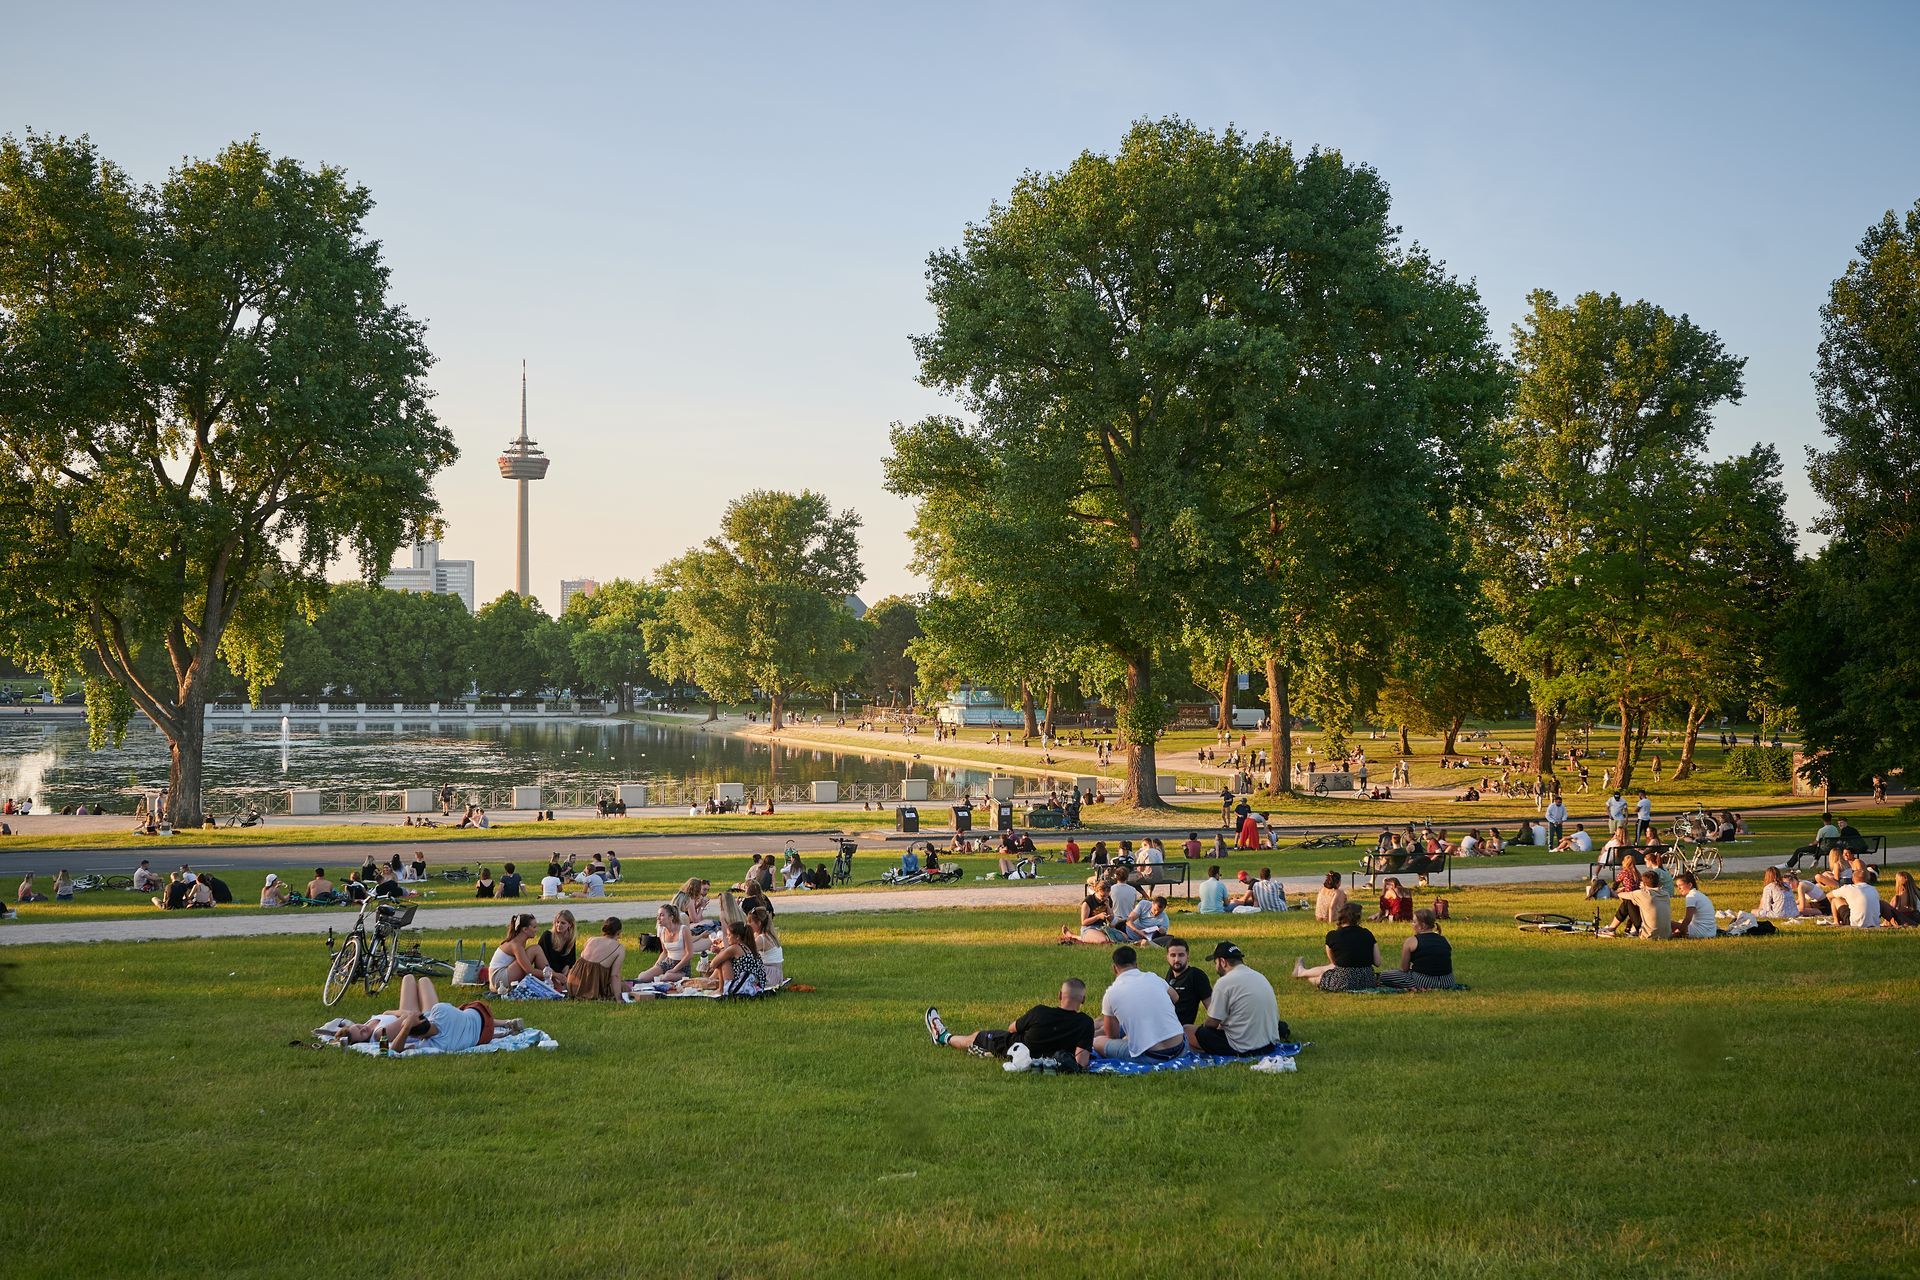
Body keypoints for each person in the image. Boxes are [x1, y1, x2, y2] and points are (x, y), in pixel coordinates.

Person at [925, 978, 1096, 1070]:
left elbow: (1012, 1027)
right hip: (1045, 1060)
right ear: (1083, 1000)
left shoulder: (1040, 1012)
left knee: (976, 1036)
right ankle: (984, 1051)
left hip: (1014, 1047)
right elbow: (1082, 1061)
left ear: (1060, 995)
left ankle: (943, 1037)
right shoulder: (1086, 1023)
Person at [1189, 942, 1284, 1056]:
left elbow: (1211, 1023)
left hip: (1243, 1047)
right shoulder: (1260, 976)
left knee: (1188, 1031)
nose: (1216, 967)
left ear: (1222, 962)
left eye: (1215, 962)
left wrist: (1203, 1028)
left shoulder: (1224, 982)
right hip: (1268, 1045)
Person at [1093, 946, 1187, 1061]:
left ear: (1114, 968)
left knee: (1097, 1042)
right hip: (1181, 1048)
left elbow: (1112, 1036)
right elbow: (1175, 997)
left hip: (1151, 1056)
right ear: (1136, 965)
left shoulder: (1111, 993)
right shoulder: (1153, 977)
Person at [387, 975, 520, 1054]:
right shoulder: (440, 1010)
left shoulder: (433, 1046)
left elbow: (393, 1050)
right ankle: (505, 1023)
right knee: (422, 980)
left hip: (485, 1035)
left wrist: (405, 1028)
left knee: (408, 979)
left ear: (419, 1037)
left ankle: (504, 1027)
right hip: (482, 1012)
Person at [1293, 902, 1380, 991]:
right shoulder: (1367, 934)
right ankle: (1301, 972)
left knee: (1318, 979)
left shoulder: (1333, 936)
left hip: (1343, 981)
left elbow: (1335, 963)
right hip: (1367, 980)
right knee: (1333, 968)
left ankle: (1302, 973)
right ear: (1358, 918)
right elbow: (1377, 962)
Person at [1379, 908, 1456, 990]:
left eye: (1414, 922)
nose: (1412, 924)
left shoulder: (1411, 941)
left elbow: (1404, 969)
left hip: (1423, 981)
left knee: (1384, 975)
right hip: (1447, 981)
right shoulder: (1445, 939)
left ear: (1422, 926)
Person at [689, 921, 766, 995]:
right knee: (724, 957)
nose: (727, 937)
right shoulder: (748, 947)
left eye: (729, 935)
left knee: (723, 960)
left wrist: (720, 953)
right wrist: (720, 951)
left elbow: (713, 964)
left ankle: (721, 989)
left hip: (743, 988)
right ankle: (720, 987)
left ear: (737, 937)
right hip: (754, 986)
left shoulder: (734, 948)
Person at [488, 914, 554, 993]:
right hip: (499, 980)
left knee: (535, 949)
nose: (537, 929)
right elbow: (530, 971)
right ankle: (553, 983)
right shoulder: (516, 945)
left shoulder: (519, 941)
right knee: (535, 949)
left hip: (499, 979)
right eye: (534, 927)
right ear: (525, 929)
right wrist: (555, 975)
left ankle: (551, 983)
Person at [566, 917, 627, 1000]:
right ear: (619, 932)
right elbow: (614, 976)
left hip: (572, 984)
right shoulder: (619, 948)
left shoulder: (591, 939)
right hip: (592, 988)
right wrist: (619, 999)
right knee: (624, 987)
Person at [633, 903, 693, 983]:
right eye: (658, 915)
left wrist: (674, 969)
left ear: (671, 917)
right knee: (642, 977)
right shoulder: (662, 931)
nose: (658, 918)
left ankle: (664, 978)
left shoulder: (684, 930)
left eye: (661, 915)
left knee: (665, 977)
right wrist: (655, 966)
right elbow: (664, 952)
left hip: (682, 966)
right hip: (668, 962)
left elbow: (689, 954)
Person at [1162, 937, 1212, 1027]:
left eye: (1181, 955)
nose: (1177, 959)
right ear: (1167, 957)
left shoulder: (1196, 975)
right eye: (1173, 955)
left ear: (1187, 955)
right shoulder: (1170, 973)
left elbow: (1212, 1008)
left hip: (1182, 1031)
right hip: (1164, 1026)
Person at [537, 910, 579, 982]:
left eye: (563, 923)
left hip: (562, 975)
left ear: (570, 925)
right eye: (557, 922)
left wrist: (567, 968)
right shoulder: (547, 936)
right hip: (547, 973)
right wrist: (556, 976)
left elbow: (571, 961)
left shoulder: (570, 939)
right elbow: (543, 962)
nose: (559, 925)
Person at [1673, 872, 1717, 939]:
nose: (1678, 888)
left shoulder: (1691, 896)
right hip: (1711, 932)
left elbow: (1688, 919)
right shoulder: (1698, 894)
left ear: (1690, 885)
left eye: (1680, 885)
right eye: (1677, 886)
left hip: (1702, 932)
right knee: (1680, 922)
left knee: (1668, 923)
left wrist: (1678, 932)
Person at [749, 908, 784, 986]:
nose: (748, 924)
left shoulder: (762, 939)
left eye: (750, 922)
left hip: (769, 974)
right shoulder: (768, 935)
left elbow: (745, 953)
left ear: (758, 923)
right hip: (776, 973)